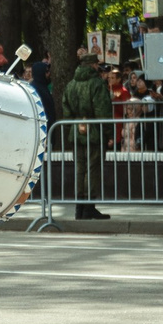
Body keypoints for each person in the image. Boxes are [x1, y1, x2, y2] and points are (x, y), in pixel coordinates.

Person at [62, 48, 111, 218]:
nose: (98, 66)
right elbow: (103, 111)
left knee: (80, 169)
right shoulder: (97, 84)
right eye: (97, 63)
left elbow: (66, 111)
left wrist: (73, 127)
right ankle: (89, 207)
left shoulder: (71, 84)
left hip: (76, 132)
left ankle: (79, 208)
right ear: (92, 65)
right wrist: (108, 133)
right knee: (93, 169)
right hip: (95, 132)